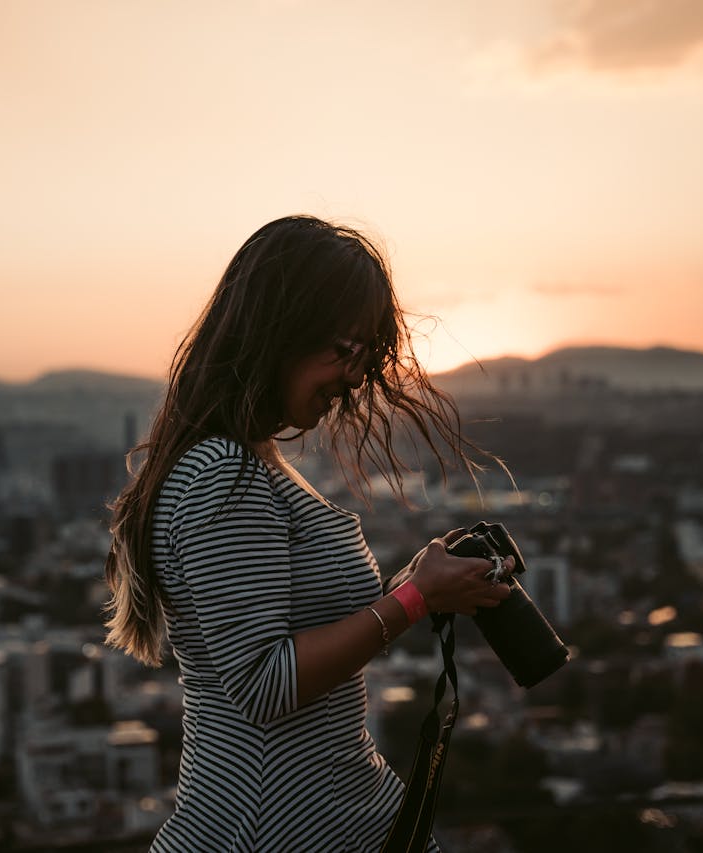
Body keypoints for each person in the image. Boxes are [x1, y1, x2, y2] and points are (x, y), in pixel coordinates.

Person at [104, 214, 512, 852]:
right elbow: (265, 684)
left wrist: (417, 584)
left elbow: (296, 628)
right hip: (261, 830)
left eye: (366, 357)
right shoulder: (222, 472)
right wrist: (413, 601)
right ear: (281, 329)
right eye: (347, 351)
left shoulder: (254, 459)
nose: (355, 379)